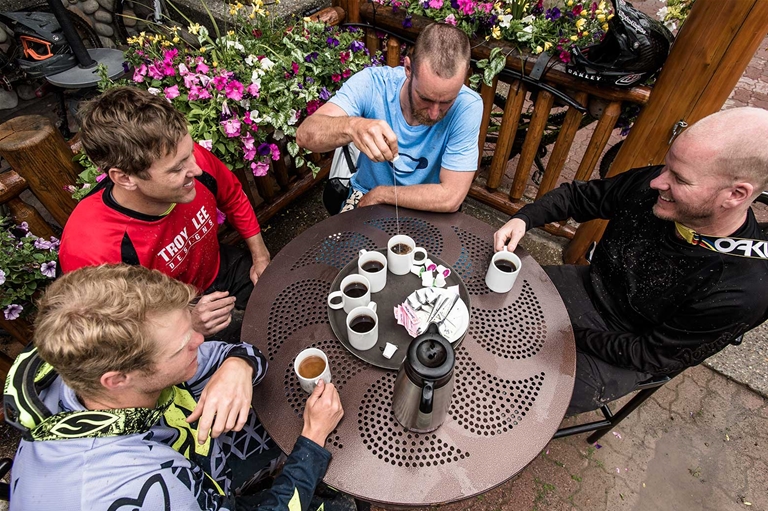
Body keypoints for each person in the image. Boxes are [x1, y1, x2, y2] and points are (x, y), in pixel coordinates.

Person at [493, 107, 768, 415]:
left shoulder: (743, 289)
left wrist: (560, 333)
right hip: (589, 286)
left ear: (736, 194)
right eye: (666, 167)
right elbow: (580, 197)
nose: (657, 182)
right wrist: (525, 219)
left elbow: (651, 355)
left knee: (515, 400)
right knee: (486, 303)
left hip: (626, 349)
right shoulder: (660, 186)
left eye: (679, 178)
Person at [5, 264, 344, 511]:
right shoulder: (142, 490)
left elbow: (240, 353)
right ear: (118, 378)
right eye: (183, 345)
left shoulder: (84, 371)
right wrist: (311, 442)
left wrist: (237, 365)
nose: (201, 339)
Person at [59, 86, 271, 340]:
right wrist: (186, 323)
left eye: (190, 153)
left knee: (283, 299)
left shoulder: (181, 158)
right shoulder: (92, 251)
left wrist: (259, 255)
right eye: (176, 169)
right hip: (166, 318)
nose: (197, 169)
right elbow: (114, 332)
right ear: (125, 178)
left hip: (218, 267)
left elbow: (233, 196)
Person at [296, 23, 483, 213]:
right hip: (365, 196)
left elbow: (451, 197)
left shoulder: (468, 105)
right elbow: (305, 135)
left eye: (447, 101)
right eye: (425, 98)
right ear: (408, 68)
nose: (435, 113)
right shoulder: (372, 83)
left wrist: (384, 195)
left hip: (428, 206)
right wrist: (352, 127)